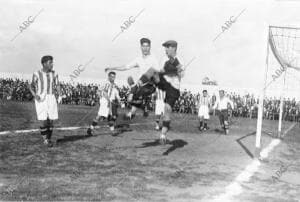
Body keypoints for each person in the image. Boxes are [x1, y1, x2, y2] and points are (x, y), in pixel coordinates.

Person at [132, 40, 184, 144]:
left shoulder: (180, 59)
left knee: (167, 109)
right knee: (152, 71)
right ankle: (138, 85)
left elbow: (181, 74)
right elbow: (160, 71)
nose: (165, 50)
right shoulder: (164, 58)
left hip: (173, 88)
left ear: (173, 48)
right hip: (164, 83)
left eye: (167, 47)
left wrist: (175, 65)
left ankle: (163, 134)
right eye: (165, 47)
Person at [105, 38, 159, 119]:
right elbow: (125, 67)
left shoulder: (153, 59)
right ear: (141, 47)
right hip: (141, 86)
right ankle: (134, 111)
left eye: (147, 46)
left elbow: (157, 74)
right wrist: (112, 68)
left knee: (150, 72)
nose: (145, 48)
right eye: (143, 46)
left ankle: (140, 98)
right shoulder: (138, 59)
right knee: (130, 95)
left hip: (150, 85)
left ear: (150, 47)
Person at [29, 55, 61, 147]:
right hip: (41, 98)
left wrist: (60, 95)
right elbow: (30, 86)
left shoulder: (54, 73)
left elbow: (58, 85)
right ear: (44, 64)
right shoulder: (37, 73)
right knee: (43, 121)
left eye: (52, 62)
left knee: (51, 120)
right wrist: (35, 95)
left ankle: (48, 139)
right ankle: (45, 140)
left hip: (51, 97)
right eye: (50, 62)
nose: (52, 64)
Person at [87, 71, 120, 136]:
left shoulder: (112, 83)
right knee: (100, 116)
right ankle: (90, 129)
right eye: (112, 77)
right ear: (109, 77)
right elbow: (104, 93)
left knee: (110, 116)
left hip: (108, 101)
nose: (113, 78)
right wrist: (108, 101)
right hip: (105, 101)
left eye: (114, 77)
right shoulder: (107, 83)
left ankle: (112, 131)